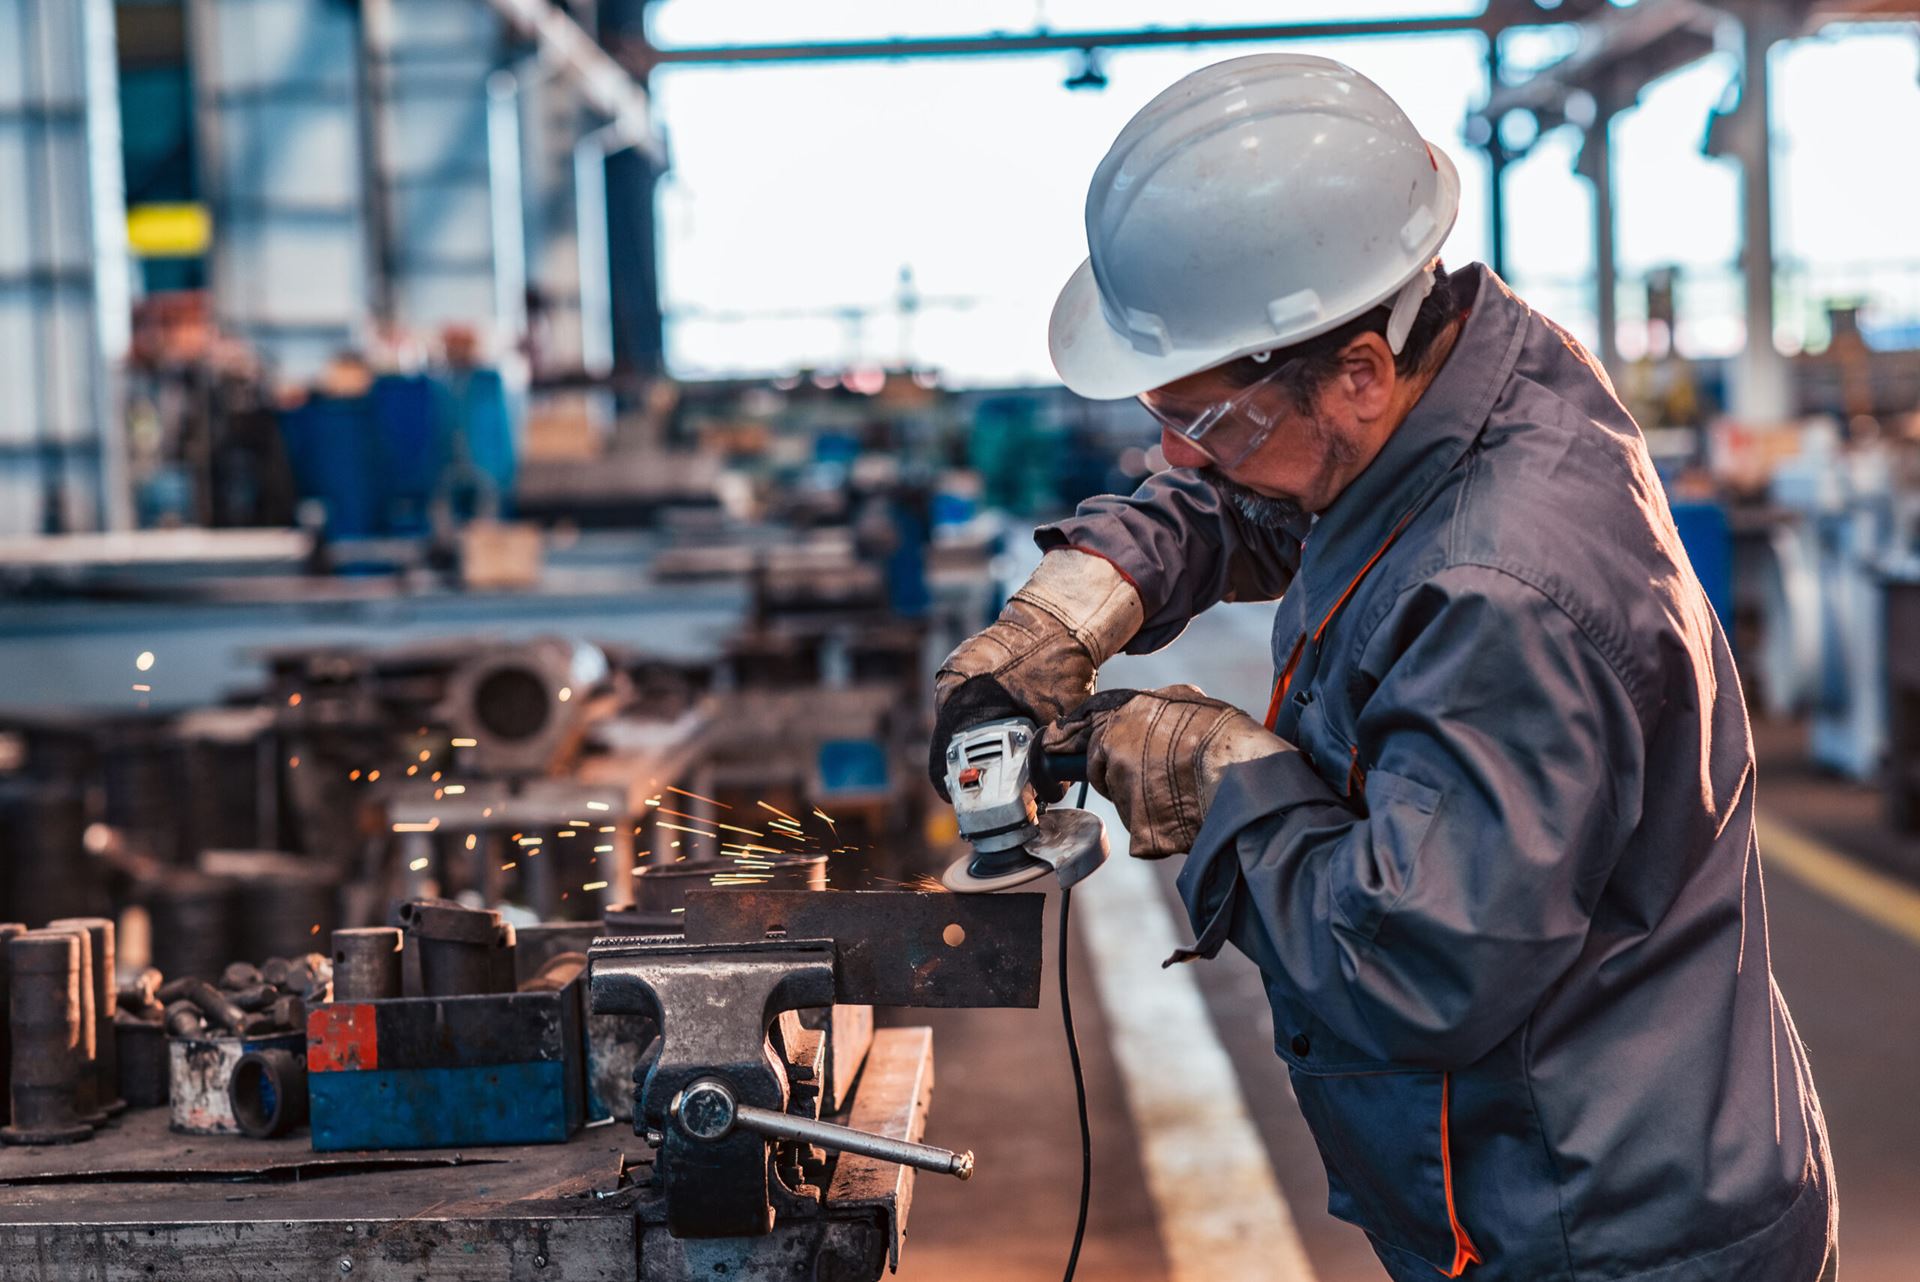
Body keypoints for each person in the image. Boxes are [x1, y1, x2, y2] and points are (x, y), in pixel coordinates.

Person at [932, 54, 1836, 1282]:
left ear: (1357, 368)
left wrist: (1218, 779)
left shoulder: (1506, 594)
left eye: (1201, 420)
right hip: (1559, 1172)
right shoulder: (1452, 375)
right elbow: (1258, 496)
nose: (1174, 453)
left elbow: (1410, 963)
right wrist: (1078, 602)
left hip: (1600, 1228)